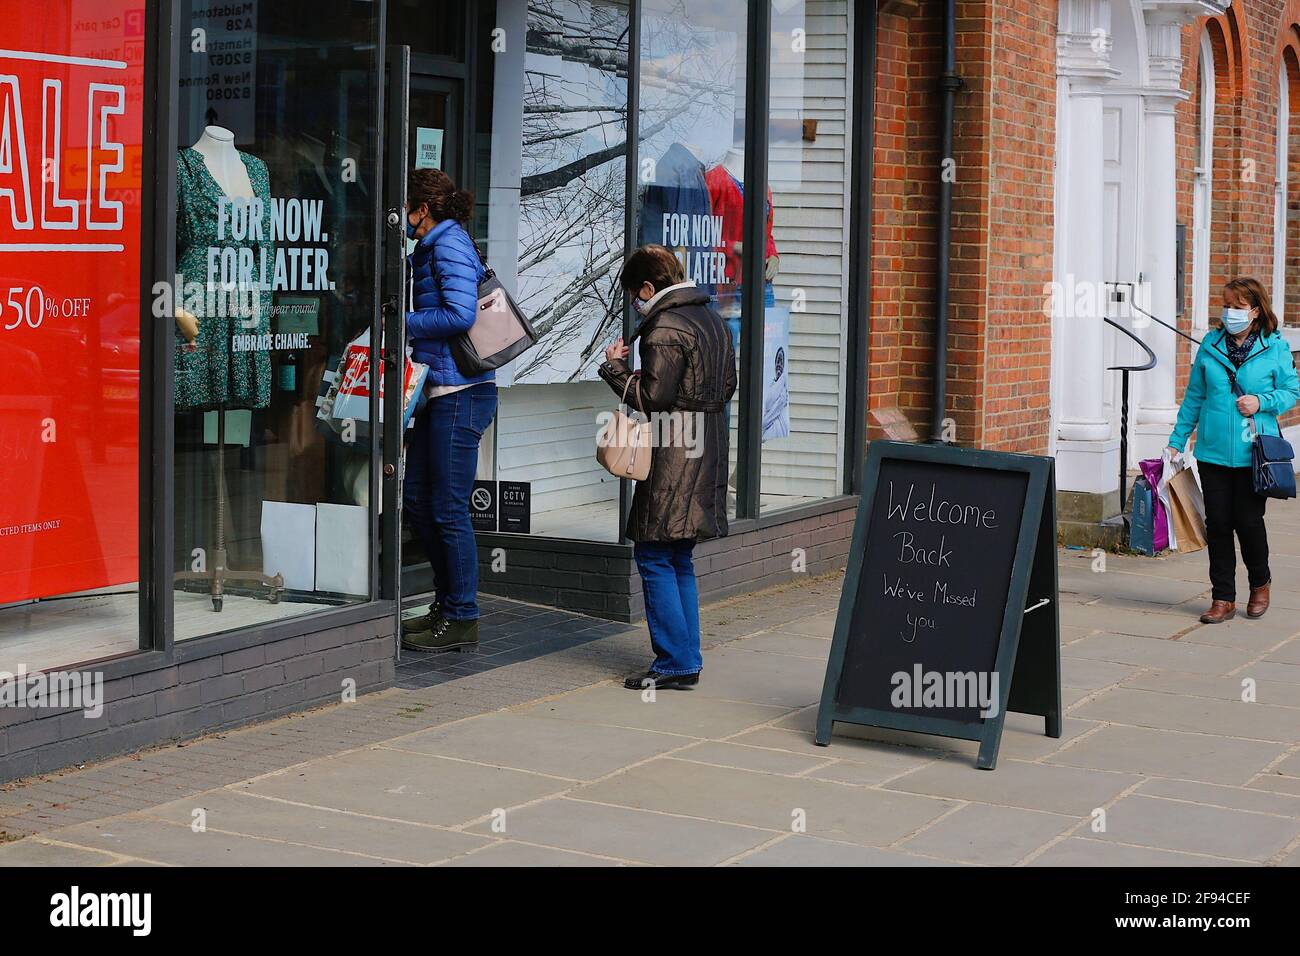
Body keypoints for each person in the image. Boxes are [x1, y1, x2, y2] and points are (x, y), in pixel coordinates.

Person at [599, 245, 738, 689]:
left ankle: (676, 661)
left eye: (634, 296)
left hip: (674, 450)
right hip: (708, 444)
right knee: (679, 556)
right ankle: (685, 657)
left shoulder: (665, 325)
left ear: (647, 287)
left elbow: (652, 398)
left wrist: (615, 368)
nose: (635, 304)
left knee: (655, 552)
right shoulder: (711, 317)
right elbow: (729, 383)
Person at [401, 168, 496, 652]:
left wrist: (404, 321)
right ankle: (446, 603)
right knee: (418, 499)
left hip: (463, 393)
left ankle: (462, 615)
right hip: (440, 392)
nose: (404, 217)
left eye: (408, 207)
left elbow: (462, 314)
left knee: (448, 509)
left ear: (424, 208)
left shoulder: (447, 244)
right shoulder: (434, 245)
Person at [1166, 277, 1299, 624]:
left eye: (1238, 307)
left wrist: (1262, 401)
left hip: (1254, 454)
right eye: (1226, 305)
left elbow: (1291, 390)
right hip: (1212, 452)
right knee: (1219, 524)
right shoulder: (1210, 345)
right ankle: (1222, 598)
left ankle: (1260, 583)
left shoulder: (1274, 347)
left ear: (1255, 311)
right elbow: (1194, 397)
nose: (1229, 313)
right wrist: (1177, 441)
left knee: (1249, 521)